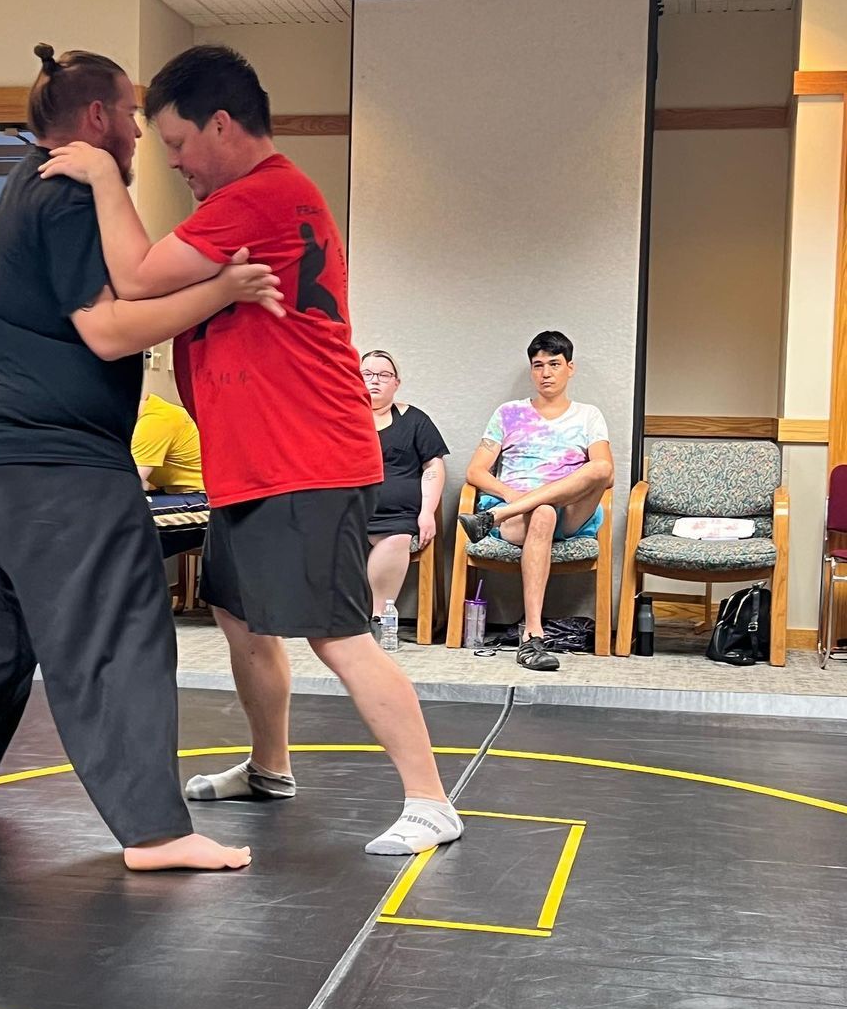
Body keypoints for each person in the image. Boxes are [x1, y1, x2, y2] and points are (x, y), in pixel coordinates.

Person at [0, 43, 286, 872]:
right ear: (98, 118)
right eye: (130, 115)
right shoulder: (72, 193)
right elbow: (109, 327)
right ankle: (157, 832)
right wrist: (225, 289)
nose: (139, 134)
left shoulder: (18, 190)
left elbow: (128, 288)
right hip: (50, 457)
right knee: (116, 626)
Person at [39, 45, 463, 856]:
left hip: (304, 457)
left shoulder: (259, 196)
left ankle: (431, 799)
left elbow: (133, 279)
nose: (173, 162)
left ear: (222, 125)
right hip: (258, 458)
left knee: (337, 633)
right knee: (240, 618)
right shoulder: (264, 198)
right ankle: (271, 767)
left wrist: (99, 174)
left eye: (177, 144)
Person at [458, 330, 613, 672]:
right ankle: (532, 636)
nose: (546, 373)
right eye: (538, 365)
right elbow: (475, 471)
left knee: (600, 468)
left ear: (569, 368)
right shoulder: (508, 414)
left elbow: (606, 474)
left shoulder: (588, 415)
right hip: (519, 516)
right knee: (542, 512)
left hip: (571, 514)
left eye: (554, 364)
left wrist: (509, 506)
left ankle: (496, 517)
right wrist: (513, 496)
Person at [360, 349, 448, 624]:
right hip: (349, 512)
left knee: (397, 540)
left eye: (384, 375)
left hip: (398, 518)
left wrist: (427, 513)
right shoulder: (340, 418)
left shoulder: (414, 420)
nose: (375, 380)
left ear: (396, 383)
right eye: (367, 374)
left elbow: (433, 466)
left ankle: (377, 619)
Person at [132, 387, 204, 493]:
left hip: (200, 496)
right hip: (173, 491)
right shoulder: (152, 407)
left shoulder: (154, 421)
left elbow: (131, 483)